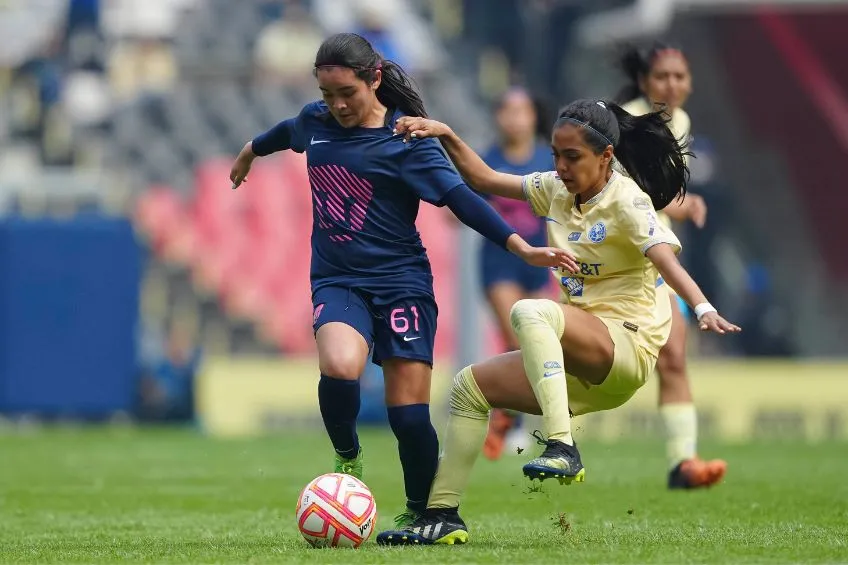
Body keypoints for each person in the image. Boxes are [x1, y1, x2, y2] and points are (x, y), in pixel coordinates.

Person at [228, 33, 575, 530]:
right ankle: (348, 457)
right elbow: (287, 131)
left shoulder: (407, 140)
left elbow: (461, 198)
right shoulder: (316, 121)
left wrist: (518, 245)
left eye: (347, 93)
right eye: (327, 94)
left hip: (402, 284)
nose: (337, 105)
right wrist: (250, 150)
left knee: (409, 416)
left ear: (374, 79)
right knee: (339, 364)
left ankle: (425, 513)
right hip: (338, 279)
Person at [376, 98, 740, 545]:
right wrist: (447, 134)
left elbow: (667, 261)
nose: (561, 167)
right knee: (469, 387)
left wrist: (702, 307)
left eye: (573, 157)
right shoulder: (554, 189)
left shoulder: (627, 200)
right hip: (578, 360)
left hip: (626, 348)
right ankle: (441, 515)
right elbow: (483, 178)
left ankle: (562, 445)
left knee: (531, 311)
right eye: (555, 155)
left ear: (606, 156)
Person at [616, 42, 726, 489]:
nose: (672, 84)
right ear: (645, 82)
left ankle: (683, 463)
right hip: (618, 255)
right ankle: (532, 419)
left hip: (655, 252)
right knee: (595, 365)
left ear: (690, 83)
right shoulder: (624, 122)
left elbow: (657, 193)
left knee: (674, 357)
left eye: (680, 76)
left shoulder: (680, 121)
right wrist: (682, 205)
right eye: (662, 76)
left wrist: (681, 204)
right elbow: (625, 193)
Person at [477, 88, 555, 461]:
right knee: (514, 337)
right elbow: (461, 205)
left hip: (541, 260)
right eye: (508, 111)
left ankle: (529, 420)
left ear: (533, 117)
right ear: (498, 117)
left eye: (522, 111)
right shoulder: (486, 160)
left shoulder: (548, 160)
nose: (515, 119)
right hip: (499, 261)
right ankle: (513, 423)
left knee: (540, 341)